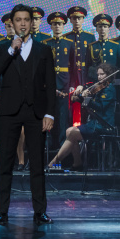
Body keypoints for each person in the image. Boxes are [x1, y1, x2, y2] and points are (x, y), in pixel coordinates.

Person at [0, 4, 56, 225]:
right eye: (18, 20)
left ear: (32, 23)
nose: (23, 23)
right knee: (5, 164)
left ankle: (40, 212)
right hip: (9, 112)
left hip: (36, 112)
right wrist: (11, 51)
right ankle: (2, 212)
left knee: (37, 165)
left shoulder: (44, 50)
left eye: (27, 19)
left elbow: (50, 85)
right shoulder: (2, 48)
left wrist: (50, 114)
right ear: (12, 23)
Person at [48, 63, 118, 171]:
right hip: (94, 123)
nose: (99, 77)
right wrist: (81, 91)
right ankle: (77, 163)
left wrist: (85, 99)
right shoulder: (99, 87)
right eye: (98, 74)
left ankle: (54, 162)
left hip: (104, 124)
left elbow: (100, 108)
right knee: (69, 131)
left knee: (72, 133)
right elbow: (88, 88)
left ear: (108, 75)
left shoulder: (109, 89)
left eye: (102, 74)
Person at [45, 11, 77, 152]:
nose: (57, 26)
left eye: (59, 24)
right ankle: (50, 146)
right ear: (51, 26)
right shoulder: (46, 44)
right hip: (50, 85)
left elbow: (74, 67)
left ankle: (62, 146)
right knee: (50, 115)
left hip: (64, 85)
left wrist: (72, 85)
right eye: (54, 24)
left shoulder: (69, 43)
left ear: (64, 26)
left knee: (64, 117)